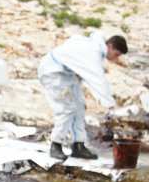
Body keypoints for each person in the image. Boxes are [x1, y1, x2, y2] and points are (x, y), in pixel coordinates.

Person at [38, 32, 128, 161]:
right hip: (53, 72)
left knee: (79, 106)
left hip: (67, 74)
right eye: (116, 54)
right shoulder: (94, 51)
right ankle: (55, 145)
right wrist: (109, 103)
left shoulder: (93, 46)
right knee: (66, 108)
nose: (115, 58)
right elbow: (98, 79)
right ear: (110, 46)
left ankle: (78, 145)